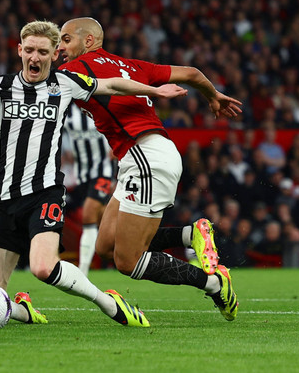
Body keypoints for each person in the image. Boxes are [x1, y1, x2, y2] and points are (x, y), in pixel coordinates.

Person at [0, 20, 187, 327]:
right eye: (30, 50)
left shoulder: (65, 84)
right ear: (20, 50)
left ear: (52, 54)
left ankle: (108, 302)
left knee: (43, 268)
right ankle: (24, 311)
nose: (35, 57)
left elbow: (112, 84)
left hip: (44, 191)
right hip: (2, 197)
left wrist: (155, 90)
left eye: (43, 52)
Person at [57, 17, 242, 321]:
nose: (60, 47)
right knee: (106, 245)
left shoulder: (78, 68)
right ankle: (191, 234)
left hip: (146, 157)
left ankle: (213, 283)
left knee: (127, 261)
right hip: (143, 157)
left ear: (88, 41)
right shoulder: (133, 65)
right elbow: (192, 73)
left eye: (65, 39)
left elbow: (41, 94)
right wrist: (213, 96)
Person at [63, 104, 115, 275]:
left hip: (103, 172)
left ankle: (83, 270)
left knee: (89, 214)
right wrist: (65, 150)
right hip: (81, 175)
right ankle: (115, 258)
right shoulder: (67, 108)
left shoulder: (101, 106)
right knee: (101, 219)